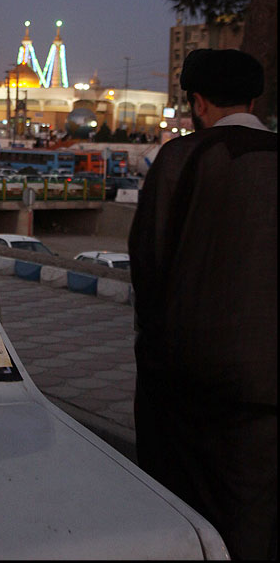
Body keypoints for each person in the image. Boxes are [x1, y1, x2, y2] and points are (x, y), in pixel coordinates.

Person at [128, 48, 277, 561]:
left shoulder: (180, 159)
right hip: (268, 394)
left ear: (197, 102)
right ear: (254, 98)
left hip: (188, 385)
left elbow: (147, 266)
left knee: (185, 520)